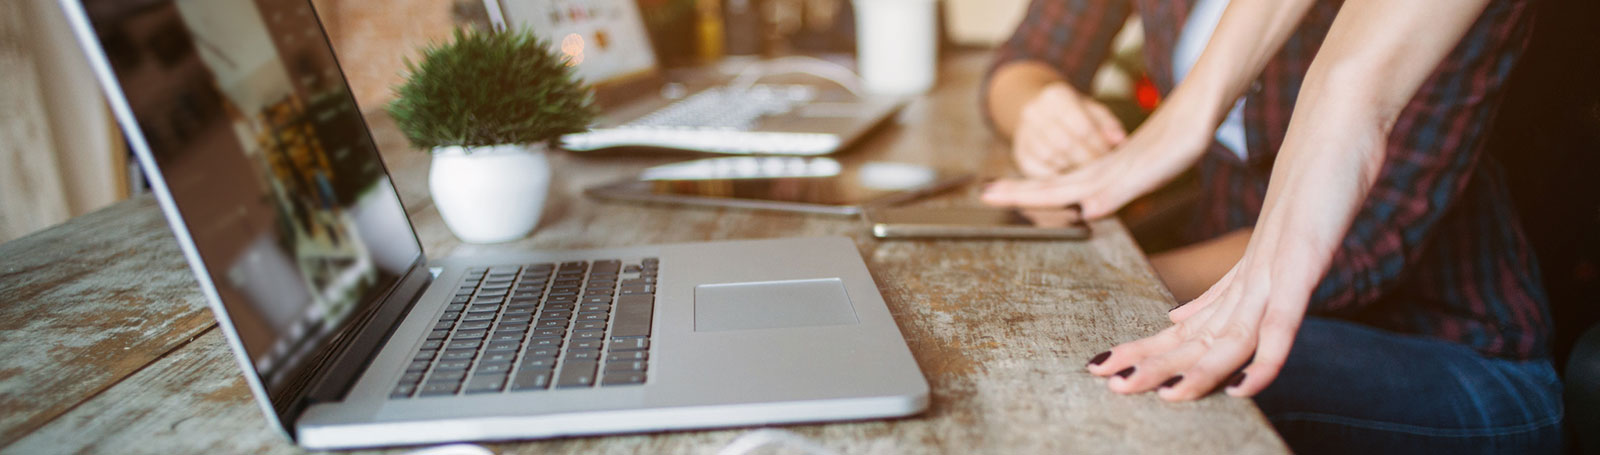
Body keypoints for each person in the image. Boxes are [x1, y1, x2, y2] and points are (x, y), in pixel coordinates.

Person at [980, 0, 1564, 452]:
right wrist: (1181, 121)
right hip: (1266, 296)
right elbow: (1032, 57)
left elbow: (1359, 230)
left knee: (1123, 388)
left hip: (1450, 345)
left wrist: (1095, 280)